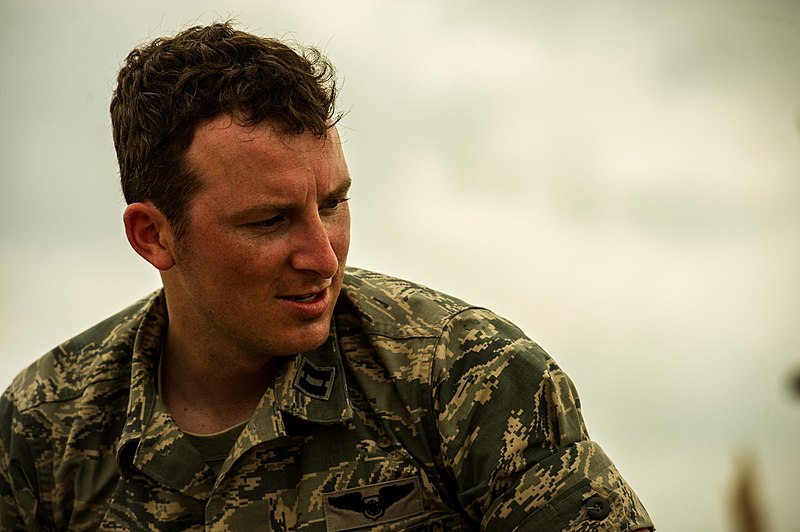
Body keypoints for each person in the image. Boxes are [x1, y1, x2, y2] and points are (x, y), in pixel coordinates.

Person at [0, 22, 654, 531]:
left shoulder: (466, 378)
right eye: (268, 220)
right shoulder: (43, 428)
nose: (323, 254)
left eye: (333, 203)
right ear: (154, 235)